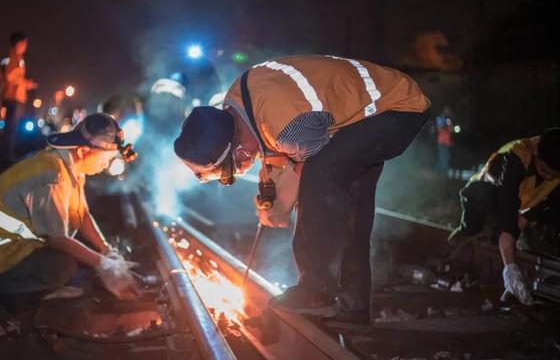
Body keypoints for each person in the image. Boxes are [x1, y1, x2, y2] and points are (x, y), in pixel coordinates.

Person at [173, 55, 430, 323]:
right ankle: (353, 308)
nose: (241, 169)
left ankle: (315, 290)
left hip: (394, 110)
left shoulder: (288, 130)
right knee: (350, 211)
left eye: (233, 170)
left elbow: (306, 170)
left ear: (237, 150)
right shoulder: (237, 108)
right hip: (368, 115)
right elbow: (271, 150)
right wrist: (268, 194)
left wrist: (283, 202)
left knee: (321, 180)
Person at [0, 113, 139, 338]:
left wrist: (107, 252)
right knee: (61, 268)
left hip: (15, 246)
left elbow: (81, 215)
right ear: (84, 151)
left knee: (80, 276)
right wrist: (105, 265)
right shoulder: (52, 175)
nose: (106, 165)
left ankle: (34, 288)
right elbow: (59, 240)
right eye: (105, 159)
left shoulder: (69, 164)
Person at [448, 128, 560, 305]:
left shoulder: (554, 171)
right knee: (477, 229)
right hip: (485, 196)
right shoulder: (517, 156)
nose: (549, 177)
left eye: (554, 175)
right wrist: (510, 267)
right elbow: (508, 213)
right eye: (544, 170)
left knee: (508, 237)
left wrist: (516, 237)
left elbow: (529, 214)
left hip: (520, 202)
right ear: (537, 152)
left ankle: (499, 248)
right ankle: (459, 245)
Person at [0, 31, 38, 162]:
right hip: (13, 98)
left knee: (11, 128)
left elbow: (0, 75)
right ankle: (8, 158)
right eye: (24, 43)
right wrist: (25, 83)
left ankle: (8, 156)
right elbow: (10, 76)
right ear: (19, 43)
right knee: (11, 129)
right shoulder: (15, 58)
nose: (25, 46)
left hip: (11, 97)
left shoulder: (9, 58)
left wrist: (23, 83)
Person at [435, 106, 454, 175]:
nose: (448, 112)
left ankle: (443, 172)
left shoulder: (448, 120)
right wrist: (445, 125)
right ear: (444, 111)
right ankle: (440, 172)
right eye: (447, 110)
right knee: (442, 157)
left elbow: (451, 130)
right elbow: (439, 129)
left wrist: (449, 124)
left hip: (447, 142)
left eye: (449, 111)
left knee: (446, 157)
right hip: (441, 141)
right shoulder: (440, 118)